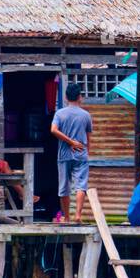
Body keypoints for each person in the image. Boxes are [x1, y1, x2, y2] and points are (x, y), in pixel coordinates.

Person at [51, 83, 93, 223]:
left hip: (64, 155)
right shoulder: (86, 115)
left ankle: (67, 217)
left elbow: (53, 130)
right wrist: (86, 151)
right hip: (81, 153)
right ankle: (78, 216)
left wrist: (69, 142)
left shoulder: (60, 113)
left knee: (64, 186)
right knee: (81, 185)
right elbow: (88, 138)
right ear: (79, 97)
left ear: (65, 97)